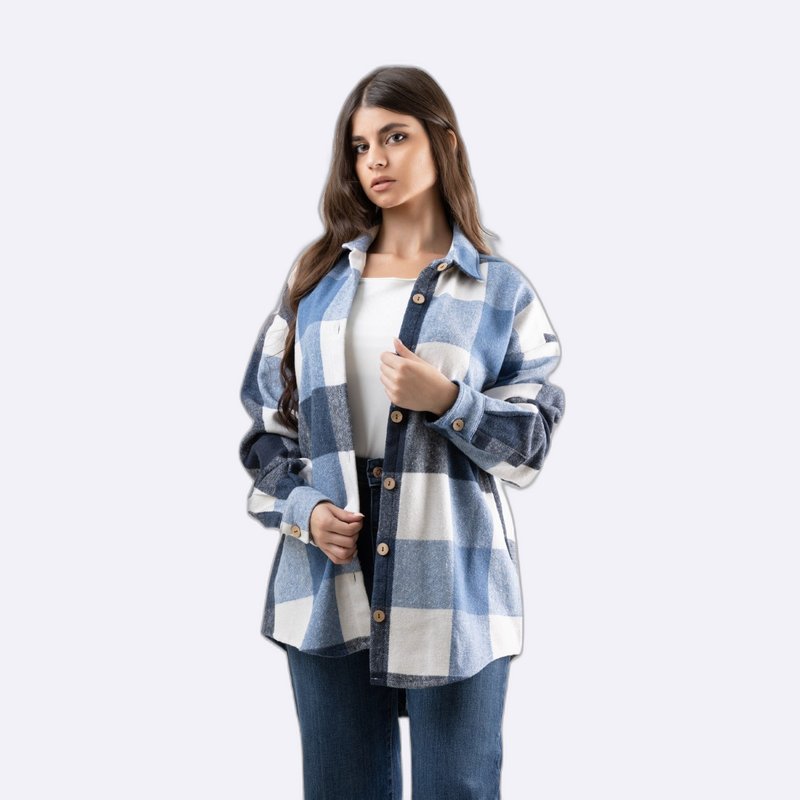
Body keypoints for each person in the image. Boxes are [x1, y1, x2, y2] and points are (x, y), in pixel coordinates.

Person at [238, 65, 566, 799]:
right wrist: (305, 511)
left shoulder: (498, 290)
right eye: (360, 147)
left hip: (453, 577)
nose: (375, 160)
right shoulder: (315, 282)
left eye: (395, 137)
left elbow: (530, 444)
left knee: (459, 788)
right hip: (326, 574)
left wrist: (448, 399)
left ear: (443, 142)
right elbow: (268, 433)